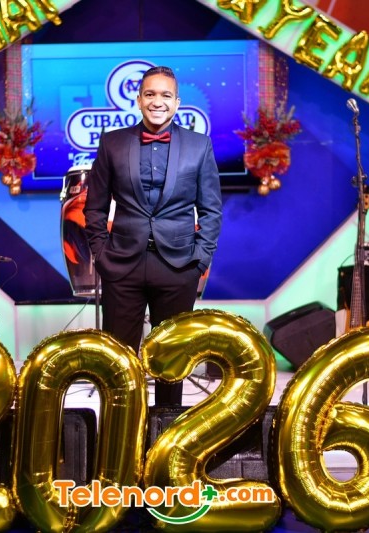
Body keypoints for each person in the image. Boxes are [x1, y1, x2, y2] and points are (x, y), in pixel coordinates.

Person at [84, 65, 222, 406]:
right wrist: (101, 255)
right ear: (138, 99)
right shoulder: (113, 142)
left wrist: (200, 259)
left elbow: (211, 210)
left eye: (165, 95)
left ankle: (167, 432)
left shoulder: (199, 145)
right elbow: (94, 207)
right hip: (122, 264)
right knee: (118, 364)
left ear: (177, 102)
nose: (157, 101)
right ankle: (121, 432)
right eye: (150, 94)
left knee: (171, 362)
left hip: (178, 266)